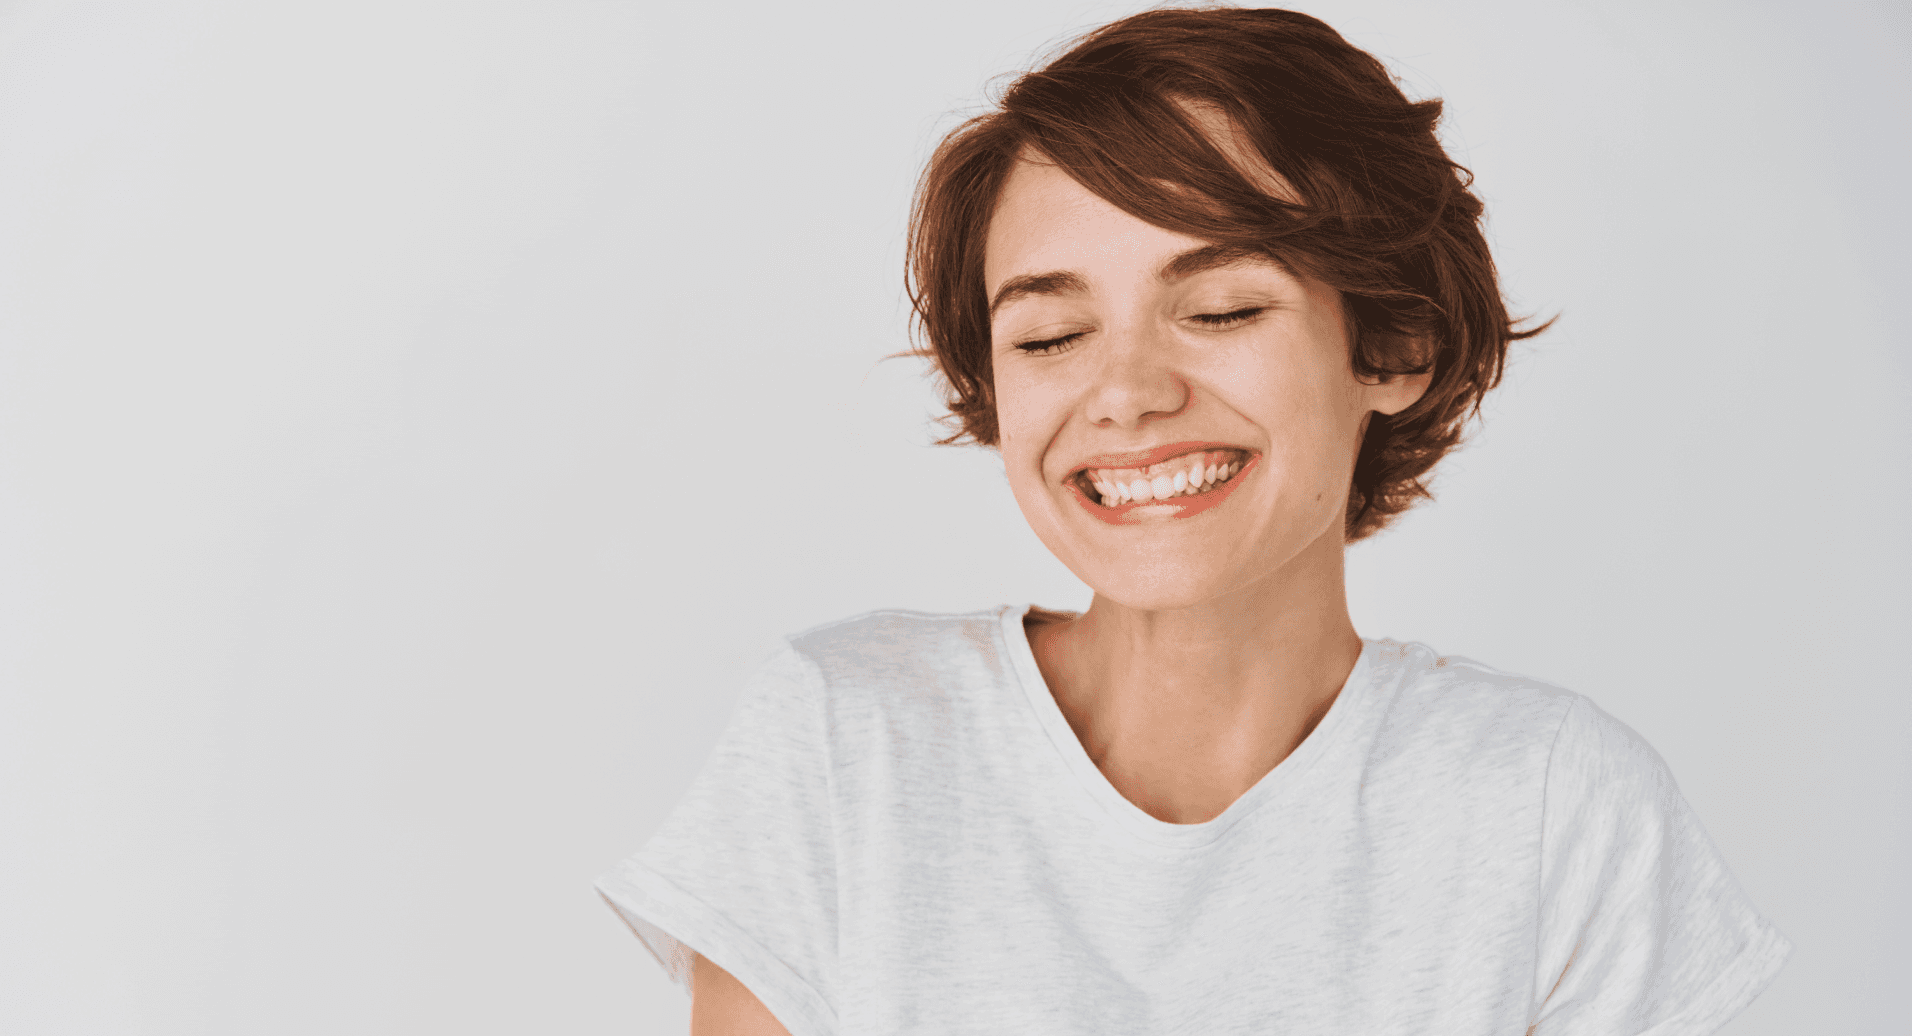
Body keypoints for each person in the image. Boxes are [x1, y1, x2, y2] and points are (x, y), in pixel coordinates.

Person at [595, 8, 1792, 1034]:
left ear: (1390, 343)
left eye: (1218, 308)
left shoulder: (1554, 807)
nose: (1123, 394)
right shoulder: (845, 741)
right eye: (1051, 337)